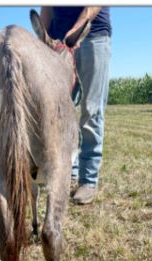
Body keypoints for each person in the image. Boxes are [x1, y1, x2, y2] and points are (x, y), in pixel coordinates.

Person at [40, 6, 112, 204]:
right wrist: (41, 38)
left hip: (91, 35)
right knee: (60, 111)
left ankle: (88, 180)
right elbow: (47, 6)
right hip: (57, 41)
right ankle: (67, 172)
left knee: (91, 110)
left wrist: (79, 26)